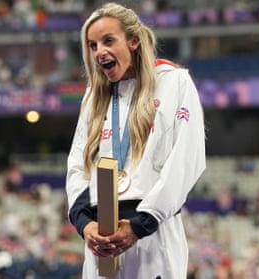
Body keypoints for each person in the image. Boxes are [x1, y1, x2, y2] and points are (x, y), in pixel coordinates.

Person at [65, 2, 206, 279]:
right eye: (92, 46)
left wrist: (142, 223)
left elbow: (187, 158)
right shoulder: (94, 97)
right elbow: (77, 166)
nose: (99, 52)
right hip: (101, 237)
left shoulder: (174, 83)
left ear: (133, 41)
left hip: (153, 233)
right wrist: (85, 225)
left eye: (108, 41)